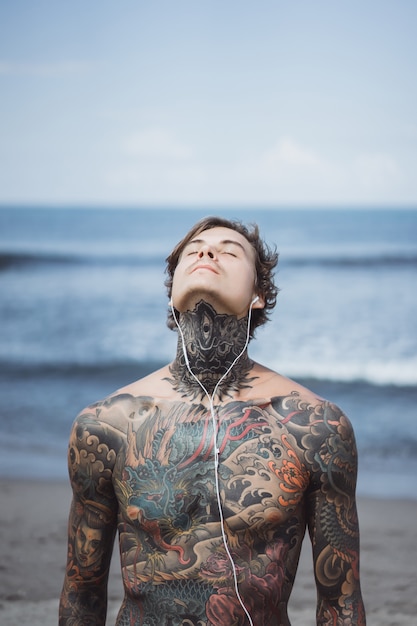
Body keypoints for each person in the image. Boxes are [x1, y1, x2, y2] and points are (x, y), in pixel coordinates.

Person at [59, 216, 366, 625]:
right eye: (195, 249)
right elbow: (82, 593)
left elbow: (339, 603)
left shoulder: (315, 427)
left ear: (258, 294)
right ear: (172, 293)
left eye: (229, 250)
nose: (207, 252)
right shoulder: (107, 425)